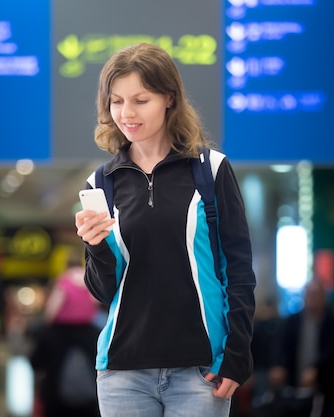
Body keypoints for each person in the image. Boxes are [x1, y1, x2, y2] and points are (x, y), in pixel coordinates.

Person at [74, 42, 256, 417]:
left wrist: (237, 355)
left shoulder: (210, 170)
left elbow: (237, 270)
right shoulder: (101, 184)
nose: (127, 113)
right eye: (117, 101)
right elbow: (102, 290)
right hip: (122, 372)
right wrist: (95, 247)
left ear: (169, 98)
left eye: (141, 100)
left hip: (201, 370)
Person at [29, 255, 101, 417]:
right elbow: (96, 301)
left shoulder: (63, 282)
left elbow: (36, 363)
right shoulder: (95, 334)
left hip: (57, 402)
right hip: (90, 402)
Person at [261, 279, 334, 417]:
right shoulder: (293, 320)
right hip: (295, 385)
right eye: (309, 294)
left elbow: (333, 350)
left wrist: (317, 369)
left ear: (324, 297)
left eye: (316, 294)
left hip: (327, 388)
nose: (312, 298)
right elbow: (279, 345)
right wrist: (277, 365)